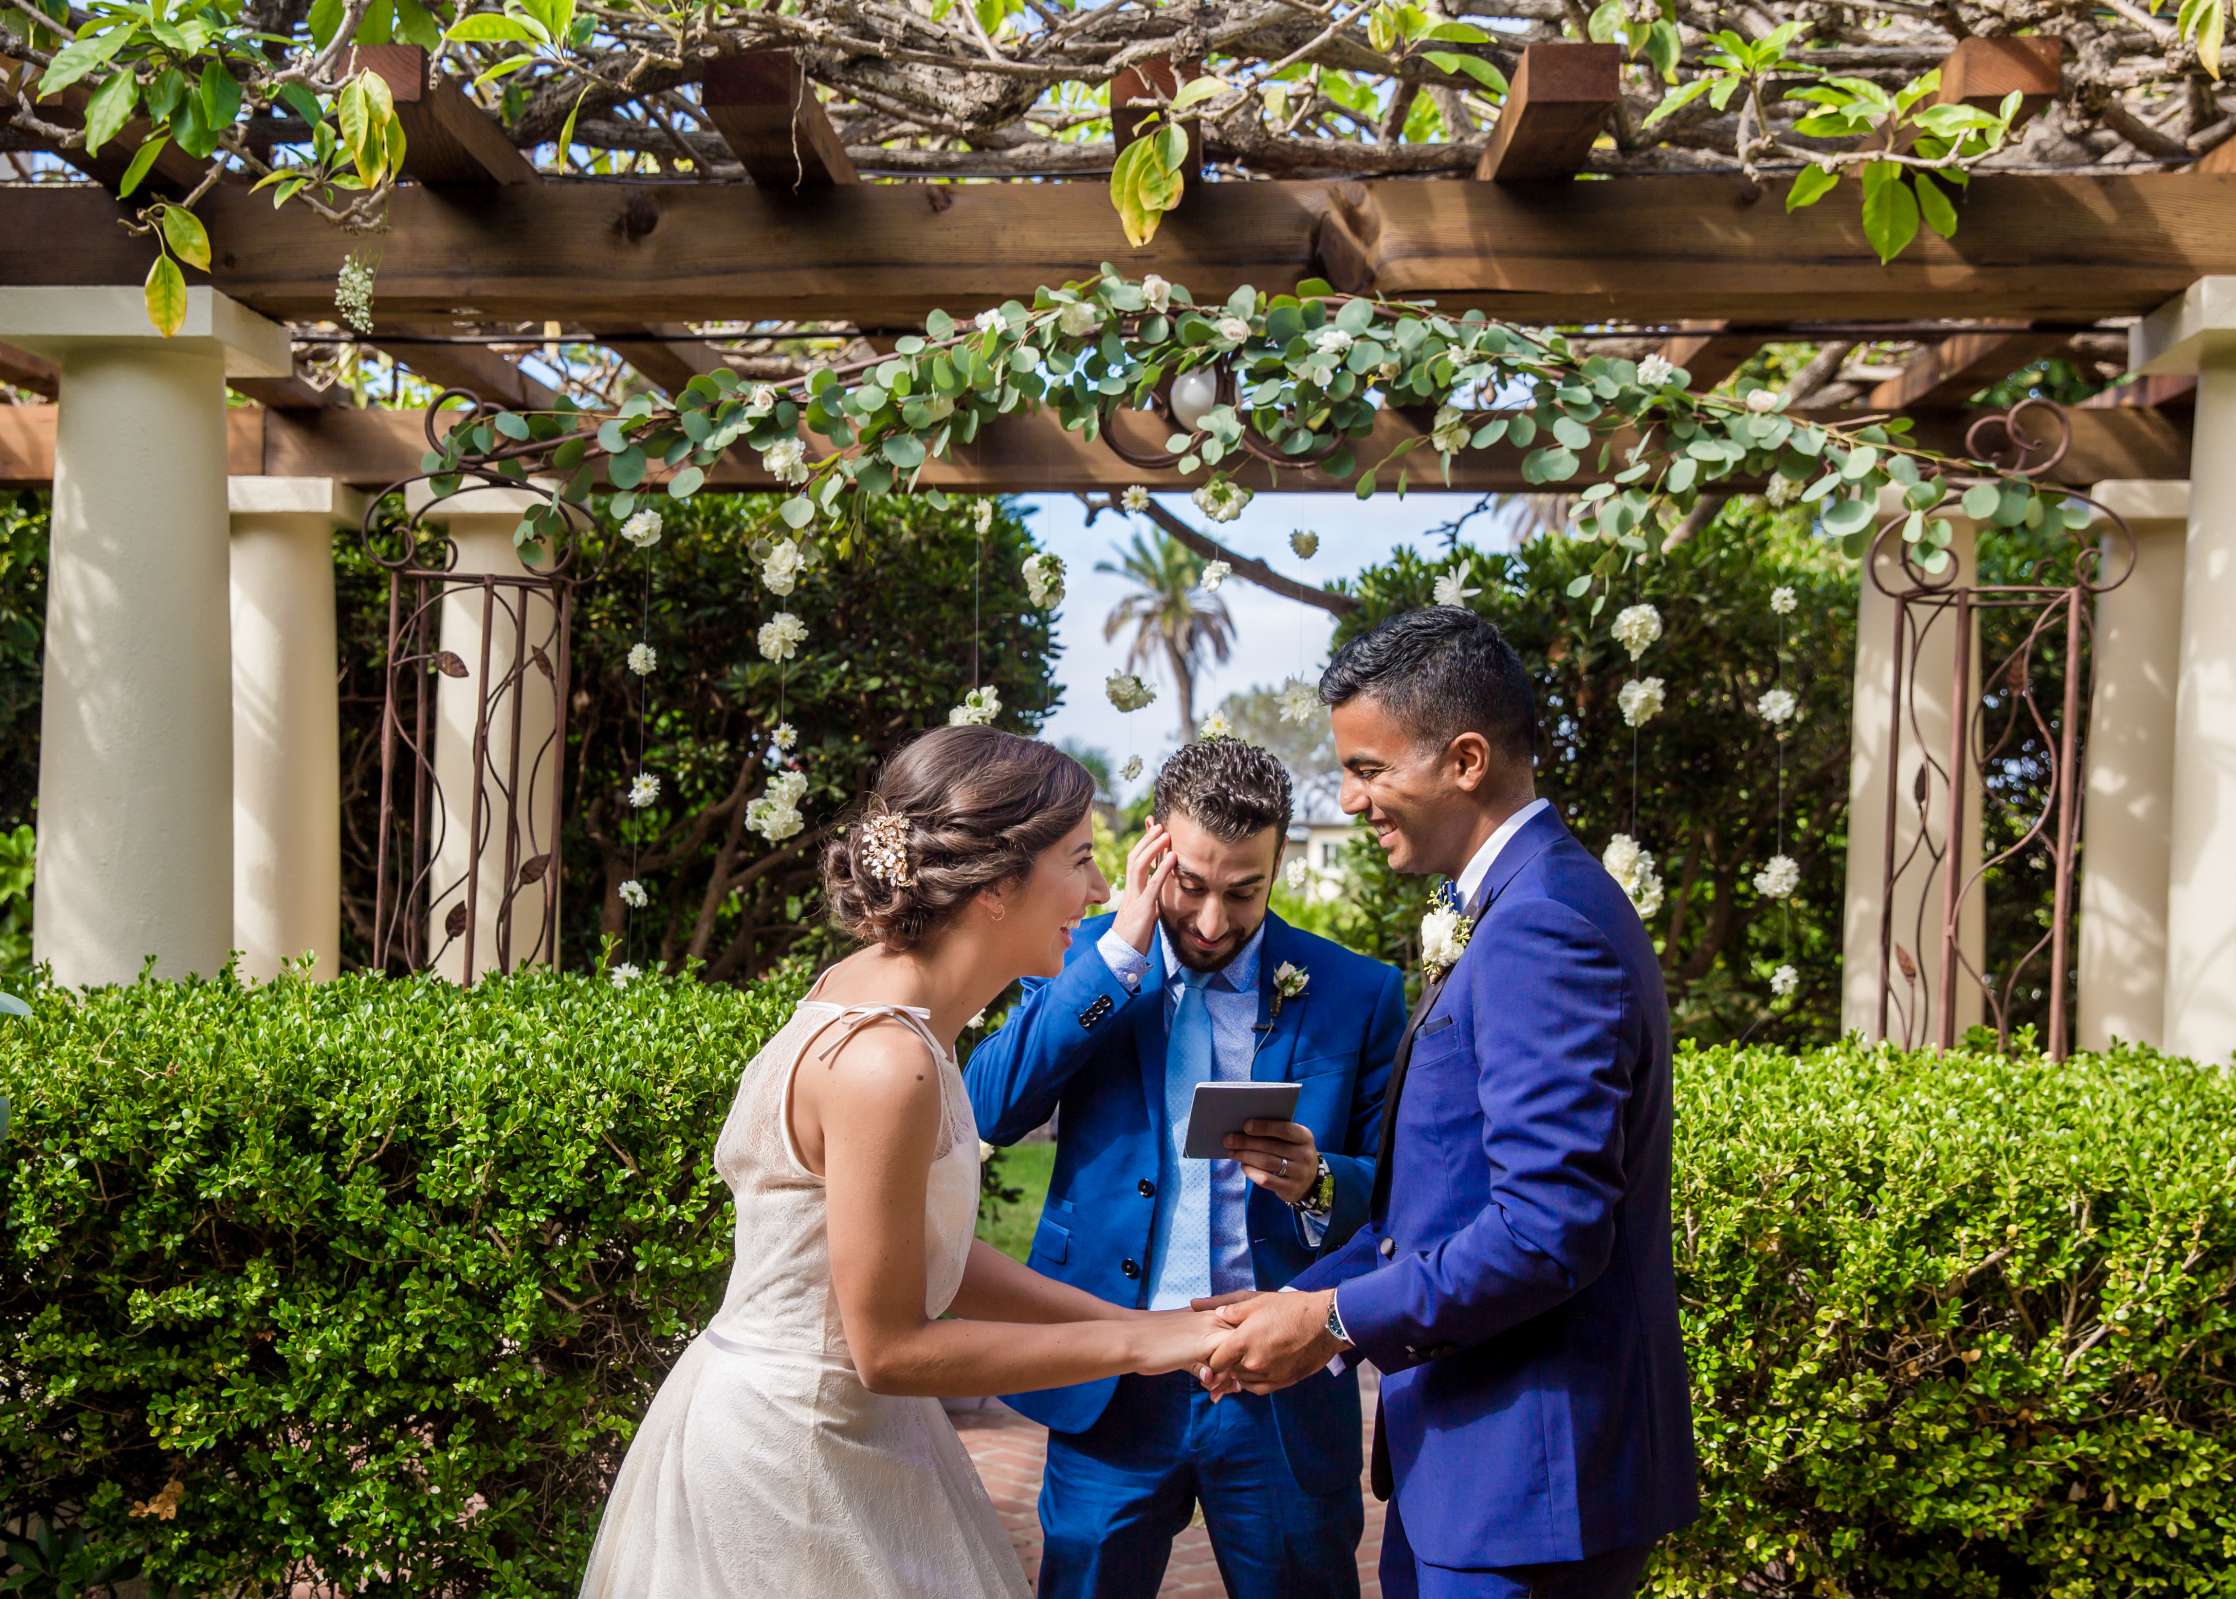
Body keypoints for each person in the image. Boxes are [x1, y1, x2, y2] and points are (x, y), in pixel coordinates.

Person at [581, 725, 1230, 1599]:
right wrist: (1138, 1347)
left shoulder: (888, 1002)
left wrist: (1154, 1331)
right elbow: (885, 1348)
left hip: (846, 1429)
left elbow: (936, 1260)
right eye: (1080, 860)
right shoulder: (888, 1061)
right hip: (795, 1458)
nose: (1104, 889)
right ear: (1000, 883)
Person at [1203, 608, 1700, 1599]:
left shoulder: (1543, 924)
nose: (1349, 799)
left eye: (1368, 769)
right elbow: (1443, 1208)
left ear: (1466, 758)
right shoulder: (1529, 901)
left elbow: (1545, 1230)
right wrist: (1296, 1302)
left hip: (1527, 1483)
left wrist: (1337, 1322)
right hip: (1485, 1478)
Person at [967, 737, 1406, 1599]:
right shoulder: (1078, 957)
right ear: (1155, 848)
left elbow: (1396, 1192)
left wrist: (1320, 1181)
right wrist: (1121, 950)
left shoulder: (1357, 991)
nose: (1211, 921)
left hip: (1276, 1376)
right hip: (1111, 1368)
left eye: (1244, 891)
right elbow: (989, 1104)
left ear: (1277, 862)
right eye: (1192, 886)